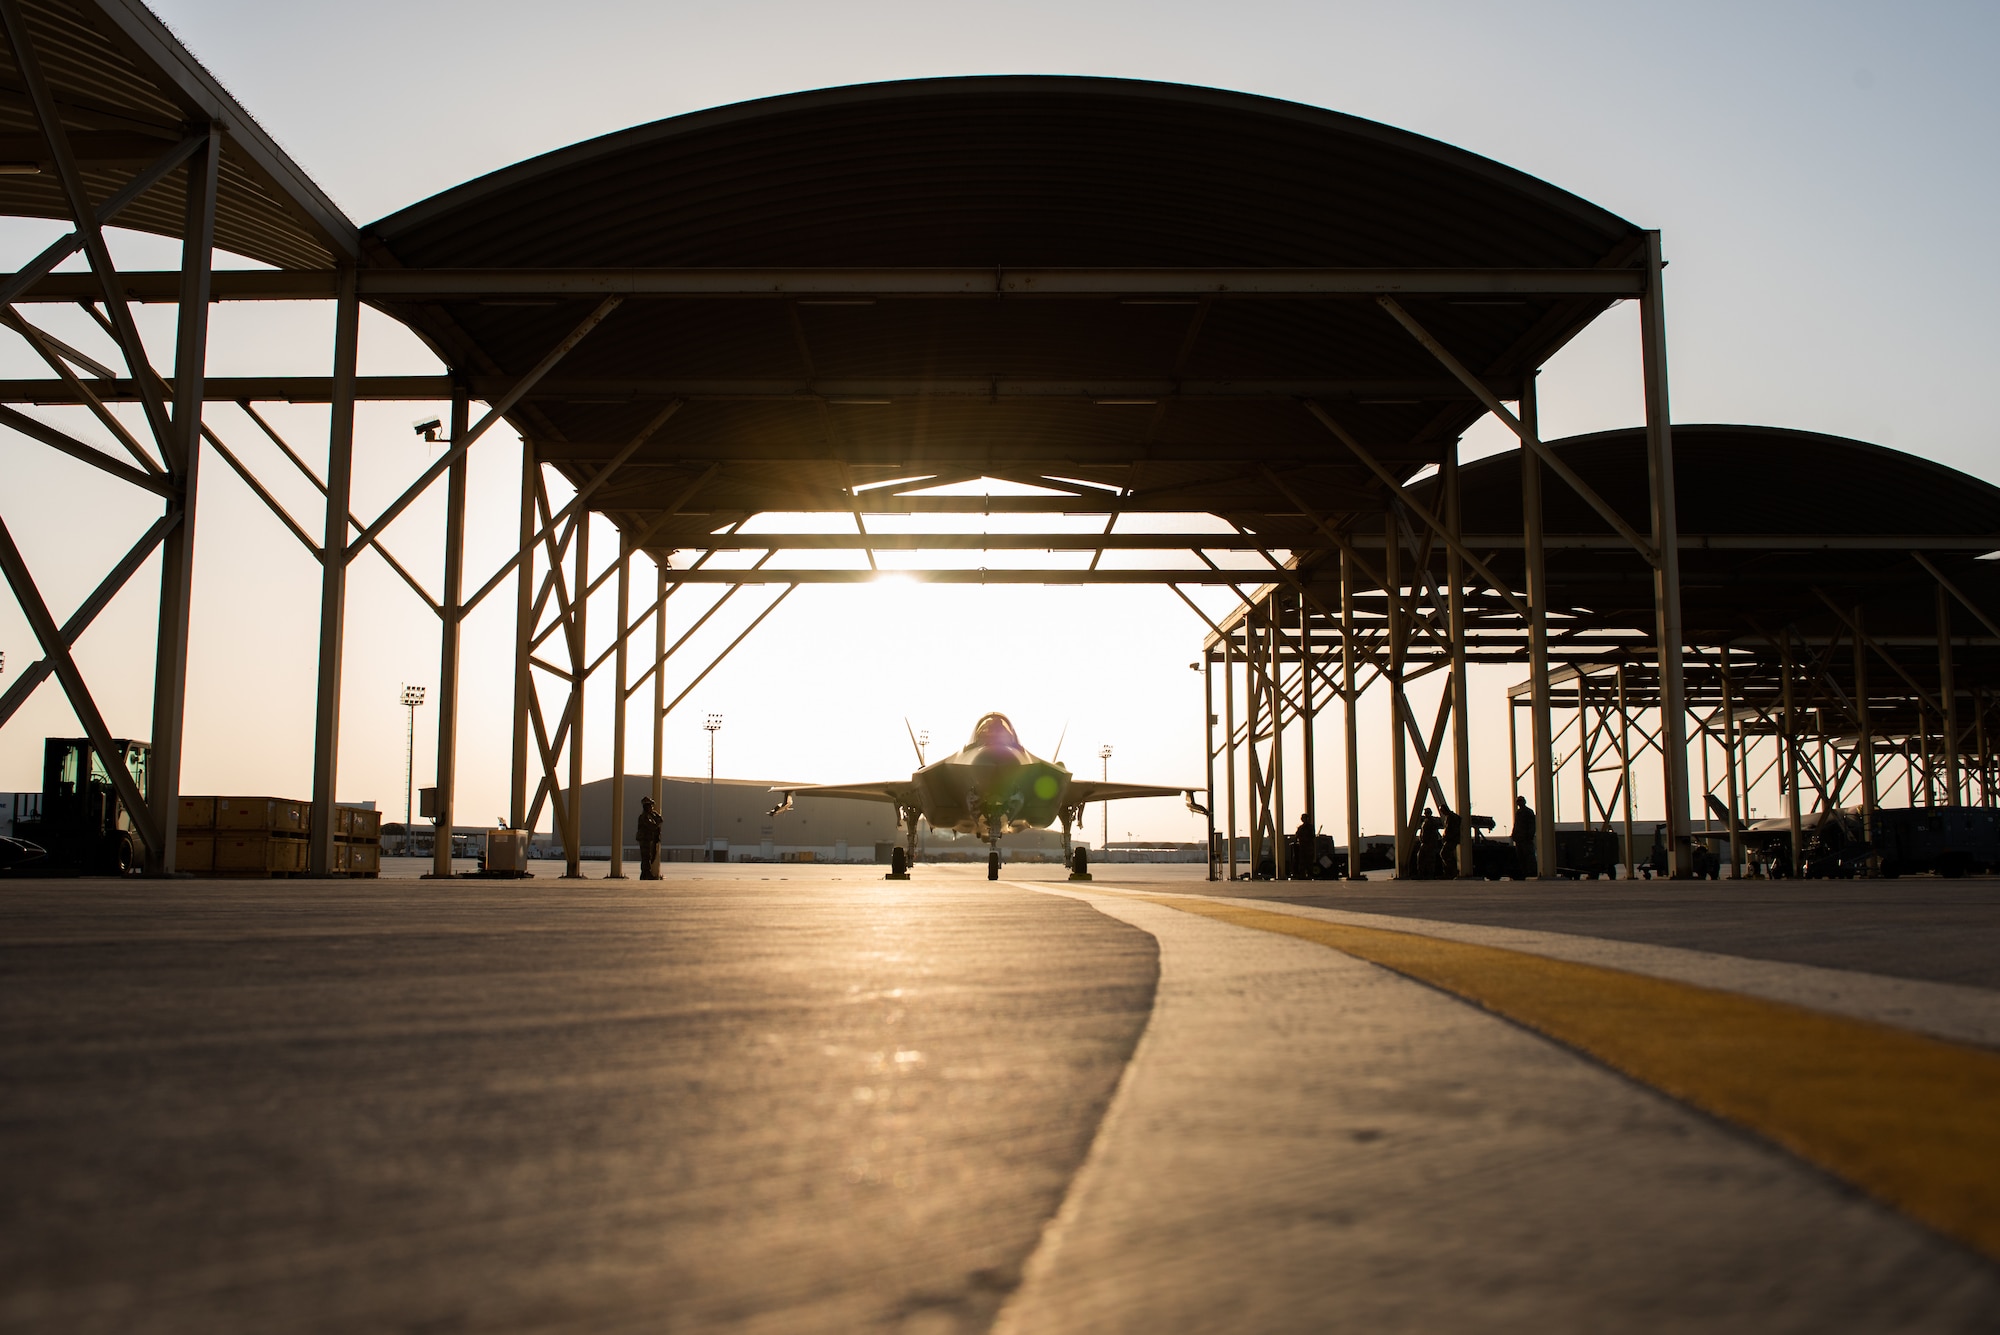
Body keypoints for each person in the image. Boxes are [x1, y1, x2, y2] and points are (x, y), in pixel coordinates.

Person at [637, 796, 663, 880]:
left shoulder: (650, 815)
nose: (651, 808)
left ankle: (645, 874)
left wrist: (654, 814)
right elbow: (652, 826)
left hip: (649, 839)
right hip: (645, 839)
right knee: (646, 857)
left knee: (651, 857)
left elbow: (660, 820)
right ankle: (646, 873)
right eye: (650, 806)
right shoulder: (644, 817)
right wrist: (656, 822)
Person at [1511, 796, 1537, 879]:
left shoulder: (1528, 812)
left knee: (1529, 856)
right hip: (1519, 839)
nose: (1519, 803)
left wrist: (1530, 835)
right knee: (1520, 856)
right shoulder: (1518, 812)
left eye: (1520, 801)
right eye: (1518, 801)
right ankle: (1523, 872)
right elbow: (1516, 824)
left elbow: (1532, 825)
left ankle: (1532, 872)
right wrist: (1514, 834)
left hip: (1526, 839)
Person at [1414, 808, 1443, 879]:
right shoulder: (1426, 821)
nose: (1425, 814)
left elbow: (1432, 833)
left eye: (1426, 813)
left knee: (1429, 859)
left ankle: (1429, 874)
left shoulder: (1432, 822)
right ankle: (1422, 874)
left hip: (1429, 843)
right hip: (1425, 843)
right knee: (1421, 858)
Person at [1293, 813, 1314, 879]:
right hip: (1303, 847)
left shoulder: (1309, 827)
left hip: (1307, 847)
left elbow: (1312, 836)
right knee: (1303, 862)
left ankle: (1308, 875)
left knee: (1308, 862)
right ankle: (1303, 875)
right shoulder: (1301, 828)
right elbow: (1296, 836)